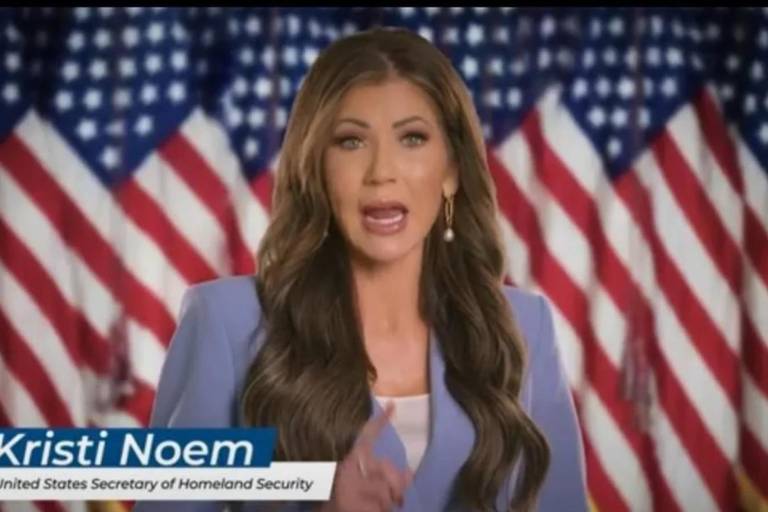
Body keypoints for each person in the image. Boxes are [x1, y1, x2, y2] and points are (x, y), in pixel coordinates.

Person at [133, 26, 587, 512]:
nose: (381, 171)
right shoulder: (226, 322)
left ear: (451, 171)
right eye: (351, 141)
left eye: (412, 138)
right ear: (316, 167)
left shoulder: (525, 328)